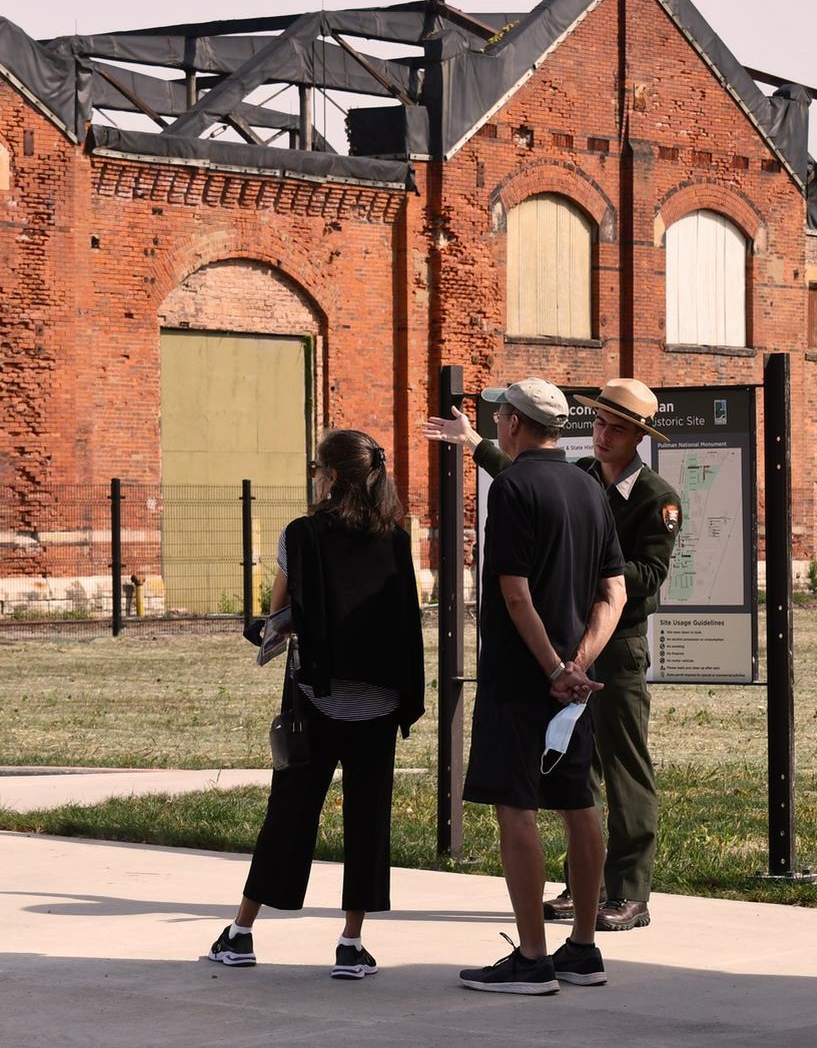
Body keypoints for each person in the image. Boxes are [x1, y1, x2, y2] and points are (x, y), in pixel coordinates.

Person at [425, 378, 680, 932]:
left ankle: (630, 889)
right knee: (573, 767)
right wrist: (474, 441)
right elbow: (524, 476)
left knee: (624, 763)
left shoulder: (656, 498)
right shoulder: (582, 477)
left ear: (637, 436)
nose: (603, 435)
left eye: (616, 428)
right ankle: (582, 885)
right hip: (568, 639)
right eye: (599, 424)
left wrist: (582, 565)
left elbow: (649, 577)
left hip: (616, 645)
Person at [207, 429, 425, 979]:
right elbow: (406, 618)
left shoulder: (301, 535)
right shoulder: (396, 539)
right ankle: (351, 942)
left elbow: (280, 611)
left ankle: (242, 932)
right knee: (368, 819)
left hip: (315, 696)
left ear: (327, 475)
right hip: (379, 700)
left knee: (289, 813)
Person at [456, 377, 626, 995]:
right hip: (573, 686)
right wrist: (578, 666)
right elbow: (615, 591)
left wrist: (554, 668)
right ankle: (583, 946)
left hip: (521, 678)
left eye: (501, 415)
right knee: (578, 801)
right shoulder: (588, 485)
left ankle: (531, 957)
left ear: (514, 423)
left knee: (517, 807)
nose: (498, 423)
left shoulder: (514, 488)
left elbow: (514, 591)